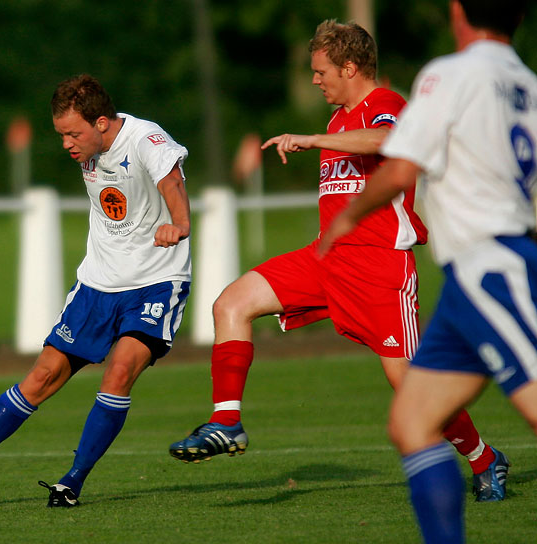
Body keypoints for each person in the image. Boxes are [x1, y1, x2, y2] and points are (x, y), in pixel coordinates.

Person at [168, 18, 508, 502]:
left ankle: (485, 460)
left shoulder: (388, 105)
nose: (314, 79)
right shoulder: (336, 120)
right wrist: (322, 137)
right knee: (231, 303)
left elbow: (387, 142)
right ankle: (226, 423)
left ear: (350, 67)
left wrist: (311, 140)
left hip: (379, 269)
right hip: (325, 258)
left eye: (321, 70)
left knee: (411, 388)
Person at [319, 1, 535, 541]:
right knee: (411, 423)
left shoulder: (449, 73)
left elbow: (401, 166)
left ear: (459, 13)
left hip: (494, 265)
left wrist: (348, 214)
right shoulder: (527, 83)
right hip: (469, 278)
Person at [0, 74, 192, 507]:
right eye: (61, 133)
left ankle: (73, 481)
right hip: (97, 285)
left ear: (102, 123)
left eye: (73, 133)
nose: (67, 143)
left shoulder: (146, 138)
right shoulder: (91, 147)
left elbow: (171, 180)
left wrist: (179, 223)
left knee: (119, 371)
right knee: (41, 376)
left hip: (155, 282)